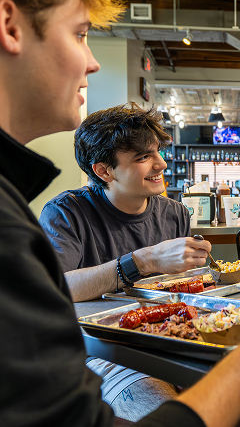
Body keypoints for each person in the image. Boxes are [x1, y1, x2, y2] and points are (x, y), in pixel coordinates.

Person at [0, 0, 240, 426]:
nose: (92, 63)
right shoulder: (57, 212)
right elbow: (61, 294)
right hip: (113, 353)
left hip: (179, 340)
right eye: (81, 34)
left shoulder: (170, 212)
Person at [38, 103, 215, 421]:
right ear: (103, 171)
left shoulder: (174, 212)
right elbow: (54, 289)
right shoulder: (67, 213)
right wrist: (143, 260)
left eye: (158, 151)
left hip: (177, 340)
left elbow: (184, 292)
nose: (161, 163)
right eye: (143, 157)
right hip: (104, 351)